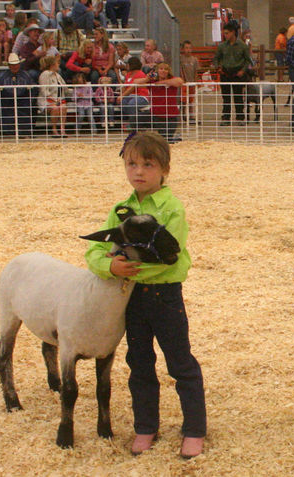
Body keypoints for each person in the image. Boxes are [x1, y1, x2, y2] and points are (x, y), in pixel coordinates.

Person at [85, 130, 206, 458]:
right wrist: (110, 268)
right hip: (130, 298)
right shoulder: (120, 209)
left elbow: (171, 256)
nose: (138, 171)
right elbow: (96, 250)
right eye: (131, 164)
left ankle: (194, 428)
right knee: (139, 362)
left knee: (180, 362)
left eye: (148, 164)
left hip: (165, 296)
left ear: (165, 169)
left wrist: (127, 265)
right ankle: (145, 426)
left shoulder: (172, 208)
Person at [214, 21, 252, 126]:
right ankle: (226, 117)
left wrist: (243, 70)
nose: (225, 35)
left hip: (237, 74)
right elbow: (216, 59)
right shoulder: (222, 46)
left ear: (233, 33)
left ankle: (240, 117)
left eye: (227, 33)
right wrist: (218, 68)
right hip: (225, 73)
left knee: (238, 96)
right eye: (224, 33)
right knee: (226, 97)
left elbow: (248, 60)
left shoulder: (243, 46)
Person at [134, 62, 183, 142]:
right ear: (157, 71)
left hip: (170, 116)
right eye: (161, 69)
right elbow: (135, 82)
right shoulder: (152, 81)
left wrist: (160, 83)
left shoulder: (172, 80)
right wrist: (147, 79)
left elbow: (180, 81)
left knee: (165, 140)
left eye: (166, 69)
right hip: (155, 115)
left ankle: (174, 139)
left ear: (168, 71)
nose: (163, 71)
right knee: (136, 118)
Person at [0, 52, 36, 137]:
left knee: (24, 118)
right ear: (9, 65)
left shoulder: (26, 75)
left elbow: (34, 88)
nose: (15, 67)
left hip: (23, 101)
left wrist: (29, 100)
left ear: (19, 64)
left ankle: (24, 133)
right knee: (7, 119)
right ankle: (7, 133)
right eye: (12, 65)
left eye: (16, 64)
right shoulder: (1, 76)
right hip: (7, 101)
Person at [37, 54, 67, 137]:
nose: (58, 65)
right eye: (57, 63)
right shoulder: (45, 74)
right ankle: (54, 129)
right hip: (46, 101)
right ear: (52, 65)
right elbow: (44, 91)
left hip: (58, 100)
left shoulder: (57, 75)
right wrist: (54, 100)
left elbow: (65, 87)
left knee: (63, 107)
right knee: (55, 108)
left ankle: (62, 129)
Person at [117, 56, 149, 132]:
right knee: (123, 102)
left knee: (132, 104)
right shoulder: (128, 74)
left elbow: (132, 87)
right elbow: (125, 86)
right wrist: (121, 95)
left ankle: (135, 125)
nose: (126, 66)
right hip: (130, 96)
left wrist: (122, 95)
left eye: (128, 64)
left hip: (141, 96)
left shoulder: (140, 74)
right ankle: (131, 121)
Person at [179, 40, 198, 123]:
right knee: (183, 100)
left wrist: (195, 82)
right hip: (184, 83)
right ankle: (183, 115)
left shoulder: (194, 60)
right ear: (183, 49)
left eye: (190, 48)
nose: (188, 50)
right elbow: (181, 70)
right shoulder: (181, 59)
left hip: (192, 82)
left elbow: (196, 71)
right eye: (186, 48)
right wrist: (183, 81)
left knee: (191, 100)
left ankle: (191, 115)